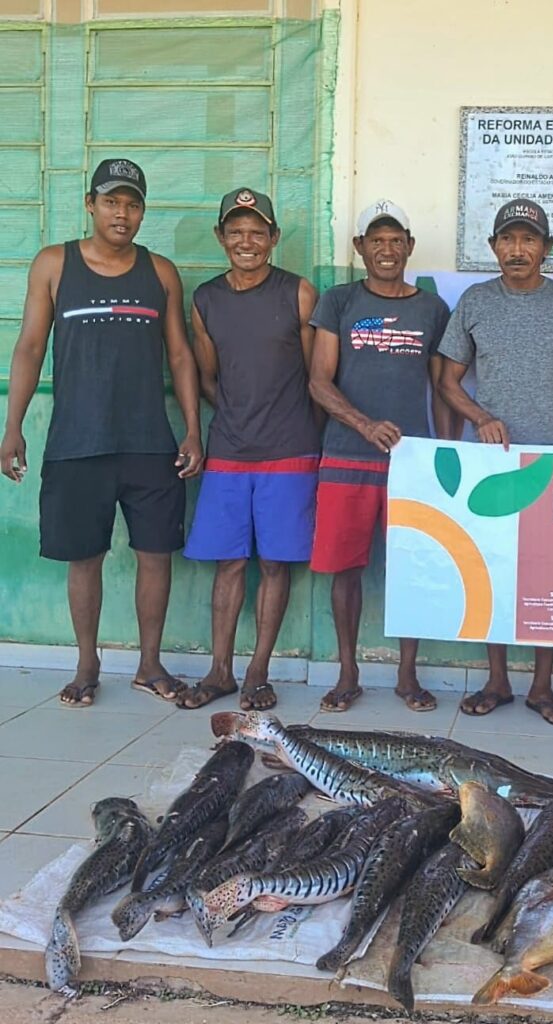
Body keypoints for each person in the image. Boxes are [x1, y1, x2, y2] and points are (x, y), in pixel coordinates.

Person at [0, 158, 202, 707]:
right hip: (76, 441)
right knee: (83, 556)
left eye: (133, 203)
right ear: (90, 205)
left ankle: (150, 664)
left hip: (148, 441)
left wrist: (191, 429)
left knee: (155, 553)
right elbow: (29, 347)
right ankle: (87, 663)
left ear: (142, 212)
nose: (122, 213)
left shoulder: (160, 272)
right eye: (111, 201)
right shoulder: (53, 264)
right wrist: (12, 426)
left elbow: (180, 355)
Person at [439, 199, 553, 726]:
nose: (518, 249)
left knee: (548, 574)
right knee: (495, 569)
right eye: (508, 239)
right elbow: (447, 381)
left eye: (529, 240)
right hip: (494, 464)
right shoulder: (476, 302)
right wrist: (480, 418)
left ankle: (543, 687)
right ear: (493, 247)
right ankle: (498, 680)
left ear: (547, 249)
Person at [176, 188, 320, 711]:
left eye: (257, 231)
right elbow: (208, 377)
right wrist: (238, 418)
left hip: (291, 451)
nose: (246, 241)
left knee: (277, 564)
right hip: (230, 451)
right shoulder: (205, 299)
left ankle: (257, 672)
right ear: (221, 238)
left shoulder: (299, 293)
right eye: (235, 231)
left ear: (274, 238)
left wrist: (302, 431)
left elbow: (315, 375)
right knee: (229, 563)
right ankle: (219, 672)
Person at [308, 200, 452, 713]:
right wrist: (365, 425)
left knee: (410, 567)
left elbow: (442, 386)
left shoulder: (432, 309)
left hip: (411, 463)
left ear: (409, 247)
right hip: (346, 456)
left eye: (397, 241)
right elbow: (318, 382)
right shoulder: (338, 301)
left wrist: (443, 452)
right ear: (360, 247)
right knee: (345, 570)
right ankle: (347, 674)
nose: (387, 250)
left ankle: (407, 676)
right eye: (377, 240)